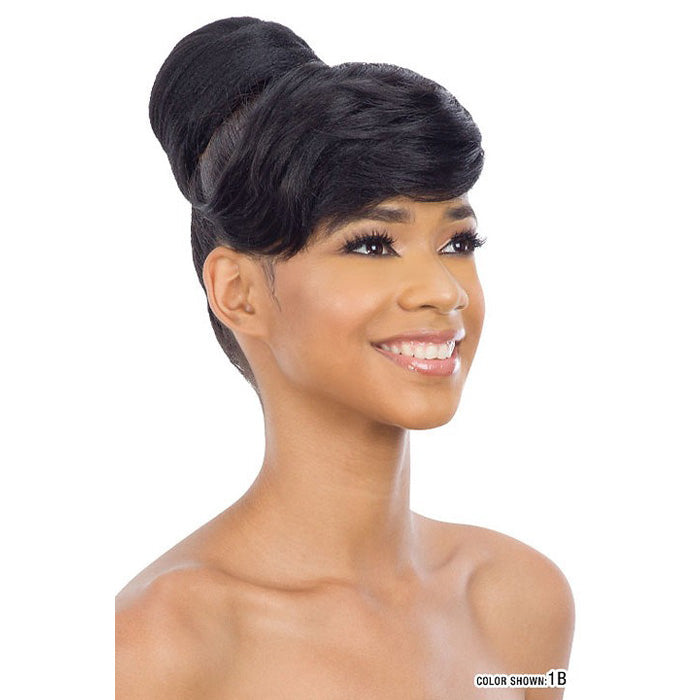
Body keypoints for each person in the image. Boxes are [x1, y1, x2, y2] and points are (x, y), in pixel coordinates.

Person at [115, 16, 574, 698]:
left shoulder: (519, 603)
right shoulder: (156, 646)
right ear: (238, 292)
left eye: (457, 243)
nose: (444, 291)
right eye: (371, 244)